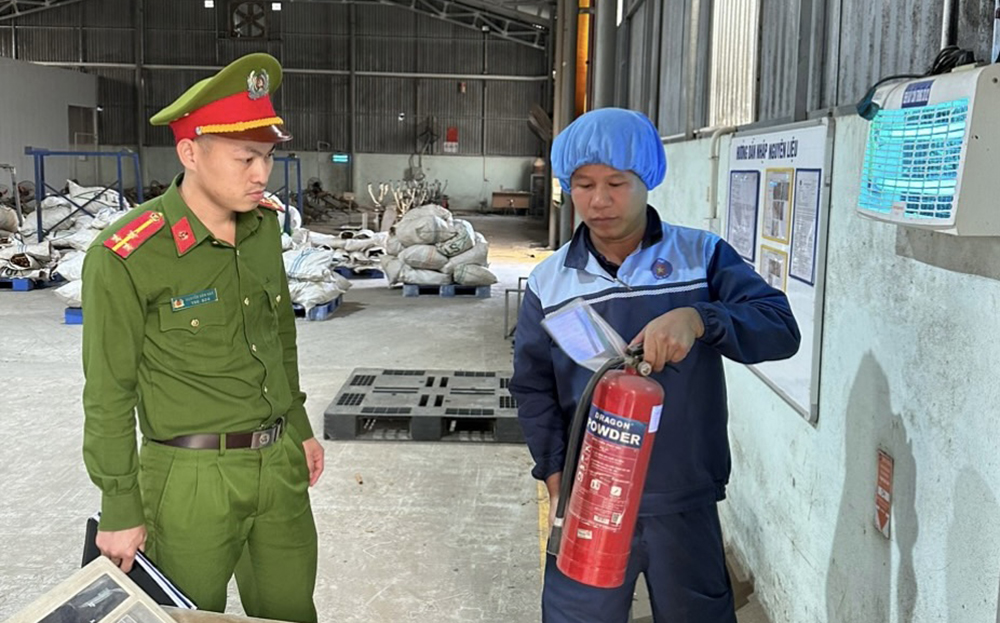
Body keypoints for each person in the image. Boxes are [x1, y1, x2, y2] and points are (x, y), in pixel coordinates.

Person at [509, 107, 801, 623]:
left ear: (647, 178)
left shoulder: (701, 258)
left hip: (682, 497)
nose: (599, 201)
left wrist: (700, 318)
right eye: (582, 185)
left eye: (616, 183)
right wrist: (555, 470)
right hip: (592, 497)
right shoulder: (550, 283)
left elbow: (780, 328)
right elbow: (532, 387)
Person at [81, 53, 323, 623]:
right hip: (190, 482)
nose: (261, 173)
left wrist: (302, 427)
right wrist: (119, 503)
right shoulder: (129, 255)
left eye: (266, 155)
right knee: (184, 617)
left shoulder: (263, 229)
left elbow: (279, 335)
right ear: (191, 152)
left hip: (278, 464)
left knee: (291, 611)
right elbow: (109, 390)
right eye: (245, 157)